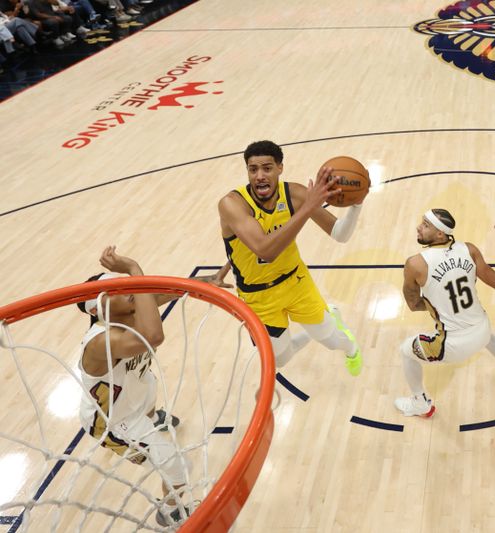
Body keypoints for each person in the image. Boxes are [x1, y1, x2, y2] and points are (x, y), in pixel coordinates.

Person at [77, 246, 230, 527]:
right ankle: (168, 513)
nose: (129, 289)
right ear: (100, 309)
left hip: (133, 396)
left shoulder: (132, 308)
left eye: (124, 283)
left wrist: (205, 283)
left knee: (144, 387)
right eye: (118, 290)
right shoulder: (103, 341)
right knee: (179, 467)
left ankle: (151, 417)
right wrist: (134, 268)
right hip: (114, 423)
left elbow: (165, 293)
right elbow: (153, 336)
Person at [217, 140, 365, 376]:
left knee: (332, 341)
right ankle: (326, 318)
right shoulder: (232, 204)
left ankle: (352, 349)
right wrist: (309, 207)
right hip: (257, 296)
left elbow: (340, 234)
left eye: (267, 168)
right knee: (281, 360)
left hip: (295, 282)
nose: (259, 176)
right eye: (253, 169)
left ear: (280, 168)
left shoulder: (294, 193)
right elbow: (265, 250)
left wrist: (356, 205)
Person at [394, 208, 495, 417]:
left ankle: (420, 403)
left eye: (426, 225)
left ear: (440, 235)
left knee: (405, 351)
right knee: (485, 334)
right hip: (482, 330)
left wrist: (438, 303)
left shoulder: (415, 264)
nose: (418, 227)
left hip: (451, 346)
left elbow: (413, 304)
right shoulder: (469, 250)